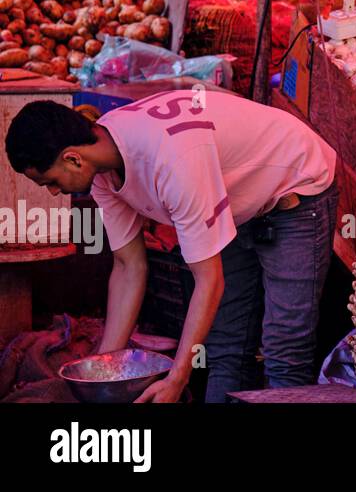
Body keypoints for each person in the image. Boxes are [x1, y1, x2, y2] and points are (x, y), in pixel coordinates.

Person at [5, 88, 338, 403]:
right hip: (234, 200)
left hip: (296, 188)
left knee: (283, 349)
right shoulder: (104, 166)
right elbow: (128, 266)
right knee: (227, 346)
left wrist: (177, 378)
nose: (52, 192)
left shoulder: (171, 161)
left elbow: (209, 280)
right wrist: (100, 371)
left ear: (73, 159)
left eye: (50, 182)